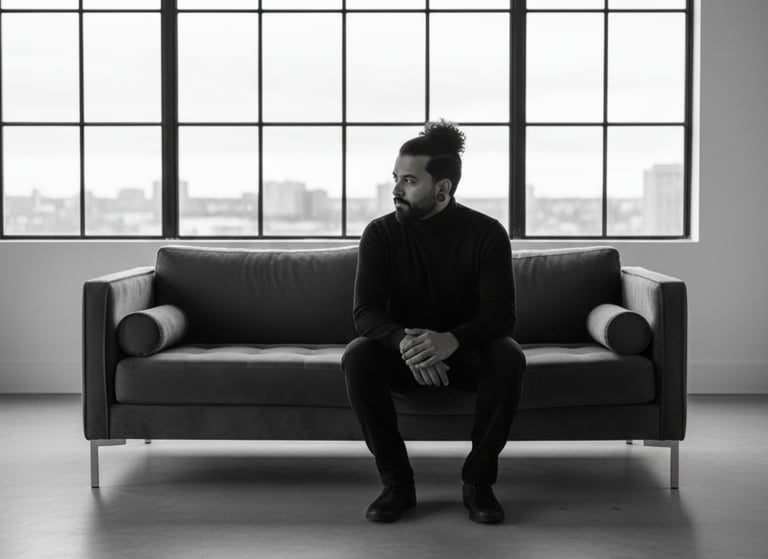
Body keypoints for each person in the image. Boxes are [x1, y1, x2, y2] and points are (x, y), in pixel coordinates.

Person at [342, 120, 526, 524]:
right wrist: (408, 345)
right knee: (358, 357)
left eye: (409, 180)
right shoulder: (379, 234)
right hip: (403, 355)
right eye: (395, 178)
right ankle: (397, 484)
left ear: (442, 189)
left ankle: (478, 482)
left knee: (509, 358)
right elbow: (366, 312)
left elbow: (502, 314)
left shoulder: (487, 234)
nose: (396, 190)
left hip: (465, 354)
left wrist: (452, 341)